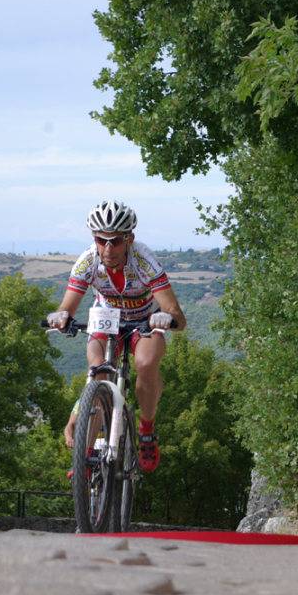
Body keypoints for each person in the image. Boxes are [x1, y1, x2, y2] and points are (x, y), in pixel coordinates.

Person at [48, 200, 186, 472]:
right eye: (101, 240)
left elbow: (178, 316)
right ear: (94, 239)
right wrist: (61, 315)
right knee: (98, 371)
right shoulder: (88, 260)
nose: (108, 249)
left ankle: (146, 429)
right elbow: (67, 306)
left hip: (145, 320)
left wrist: (167, 318)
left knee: (146, 363)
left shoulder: (144, 261)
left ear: (129, 239)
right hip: (107, 320)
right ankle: (85, 458)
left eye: (116, 241)